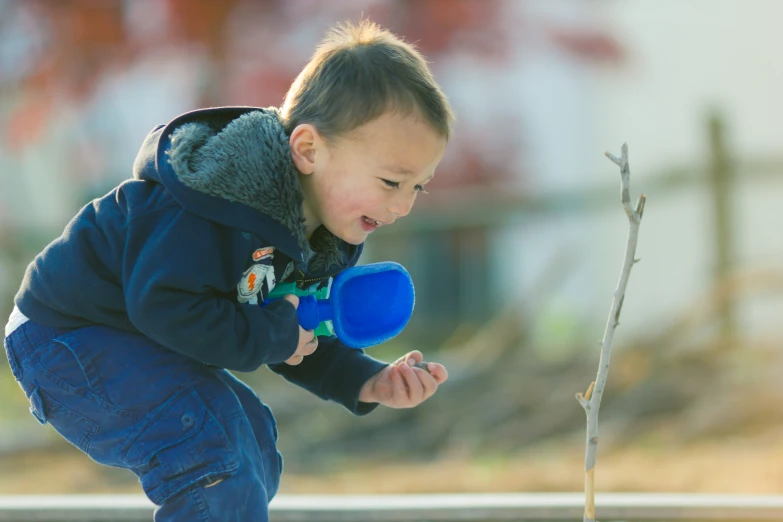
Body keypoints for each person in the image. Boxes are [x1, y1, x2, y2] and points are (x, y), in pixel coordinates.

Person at [2, 18, 453, 522]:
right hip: (69, 335)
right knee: (210, 449)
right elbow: (166, 305)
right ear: (308, 150)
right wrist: (275, 333)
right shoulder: (215, 204)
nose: (404, 205)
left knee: (253, 441)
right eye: (391, 181)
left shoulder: (320, 232)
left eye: (418, 187)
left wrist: (364, 378)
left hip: (137, 337)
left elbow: (291, 327)